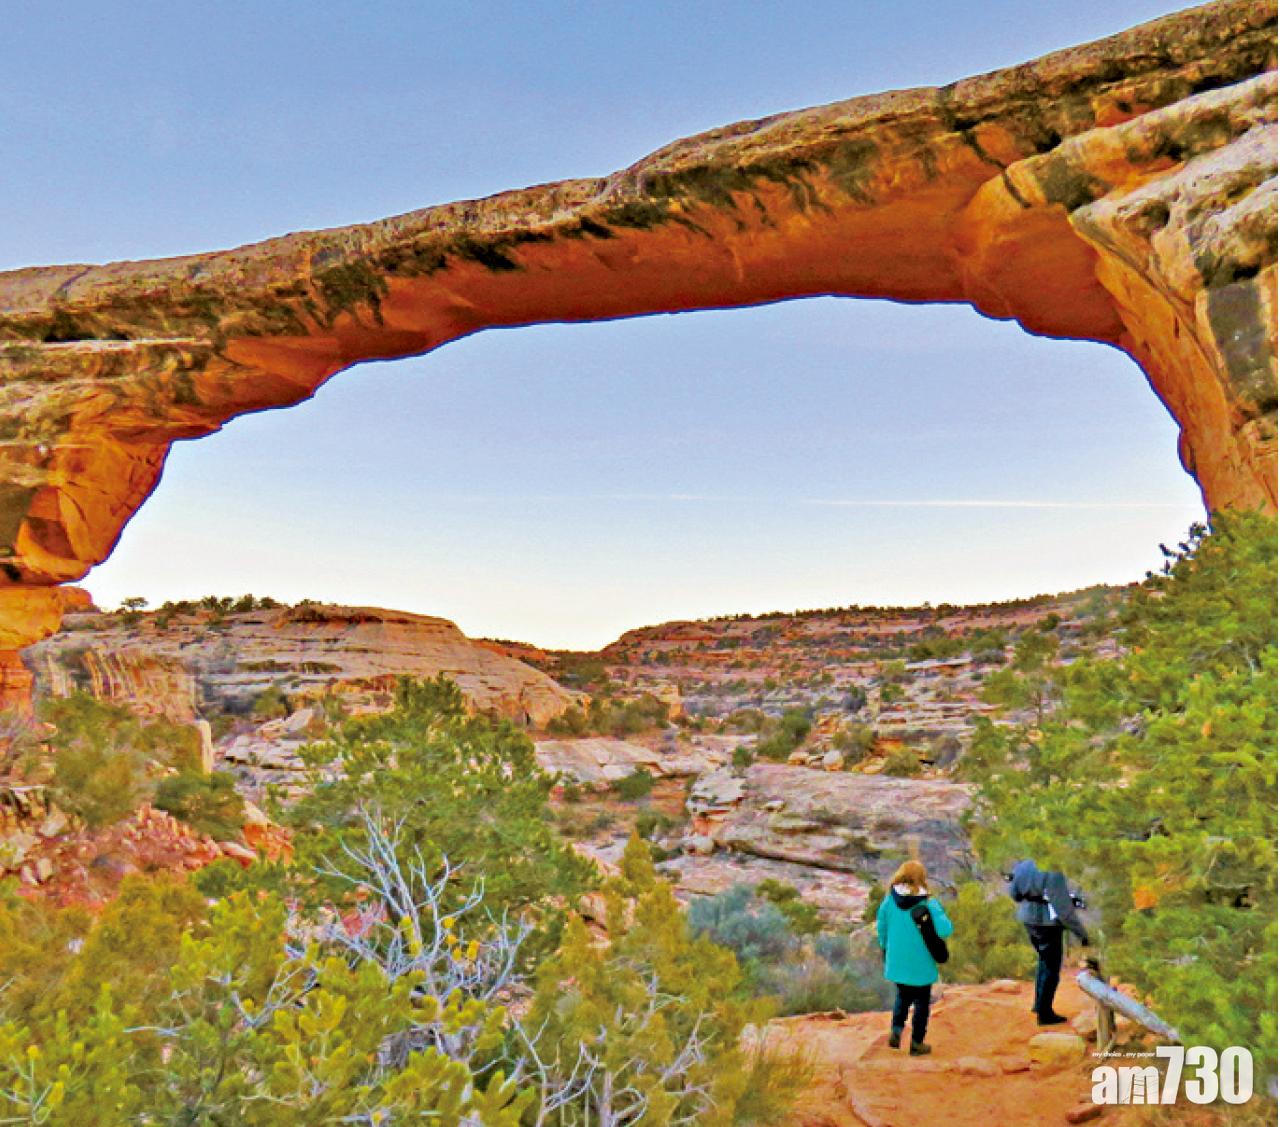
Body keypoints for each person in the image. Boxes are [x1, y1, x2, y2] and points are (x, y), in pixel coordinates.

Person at [876, 860, 953, 1055]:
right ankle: (917, 1043)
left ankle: (896, 1030)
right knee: (921, 1002)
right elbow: (946, 929)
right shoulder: (927, 903)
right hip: (921, 962)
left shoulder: (889, 901)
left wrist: (885, 949)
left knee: (902, 996)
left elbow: (881, 929)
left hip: (897, 960)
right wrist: (935, 907)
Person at [1007, 859, 1089, 1026]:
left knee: (1043, 961)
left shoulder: (1023, 866)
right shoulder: (1053, 871)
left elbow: (1015, 895)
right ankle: (1045, 1014)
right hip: (1047, 924)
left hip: (1028, 919)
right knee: (1051, 968)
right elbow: (1064, 911)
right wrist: (1082, 934)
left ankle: (1039, 1005)